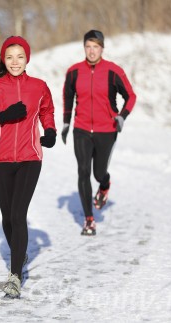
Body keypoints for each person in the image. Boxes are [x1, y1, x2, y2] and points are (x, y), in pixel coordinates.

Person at [0, 36, 56, 298]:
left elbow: (47, 111)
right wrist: (3, 117)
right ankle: (20, 251)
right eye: (9, 57)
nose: (15, 61)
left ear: (27, 58)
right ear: (3, 60)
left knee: (19, 215)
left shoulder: (39, 87)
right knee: (8, 217)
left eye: (20, 56)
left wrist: (50, 131)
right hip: (0, 160)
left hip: (31, 157)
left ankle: (15, 275)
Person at [62, 30, 136, 236]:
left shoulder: (113, 71)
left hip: (106, 130)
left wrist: (122, 117)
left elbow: (130, 96)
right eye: (88, 46)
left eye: (95, 46)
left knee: (98, 173)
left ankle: (104, 184)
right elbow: (68, 98)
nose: (91, 51)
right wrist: (67, 123)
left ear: (102, 48)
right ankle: (89, 220)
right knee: (83, 171)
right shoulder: (74, 72)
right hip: (82, 129)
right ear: (84, 48)